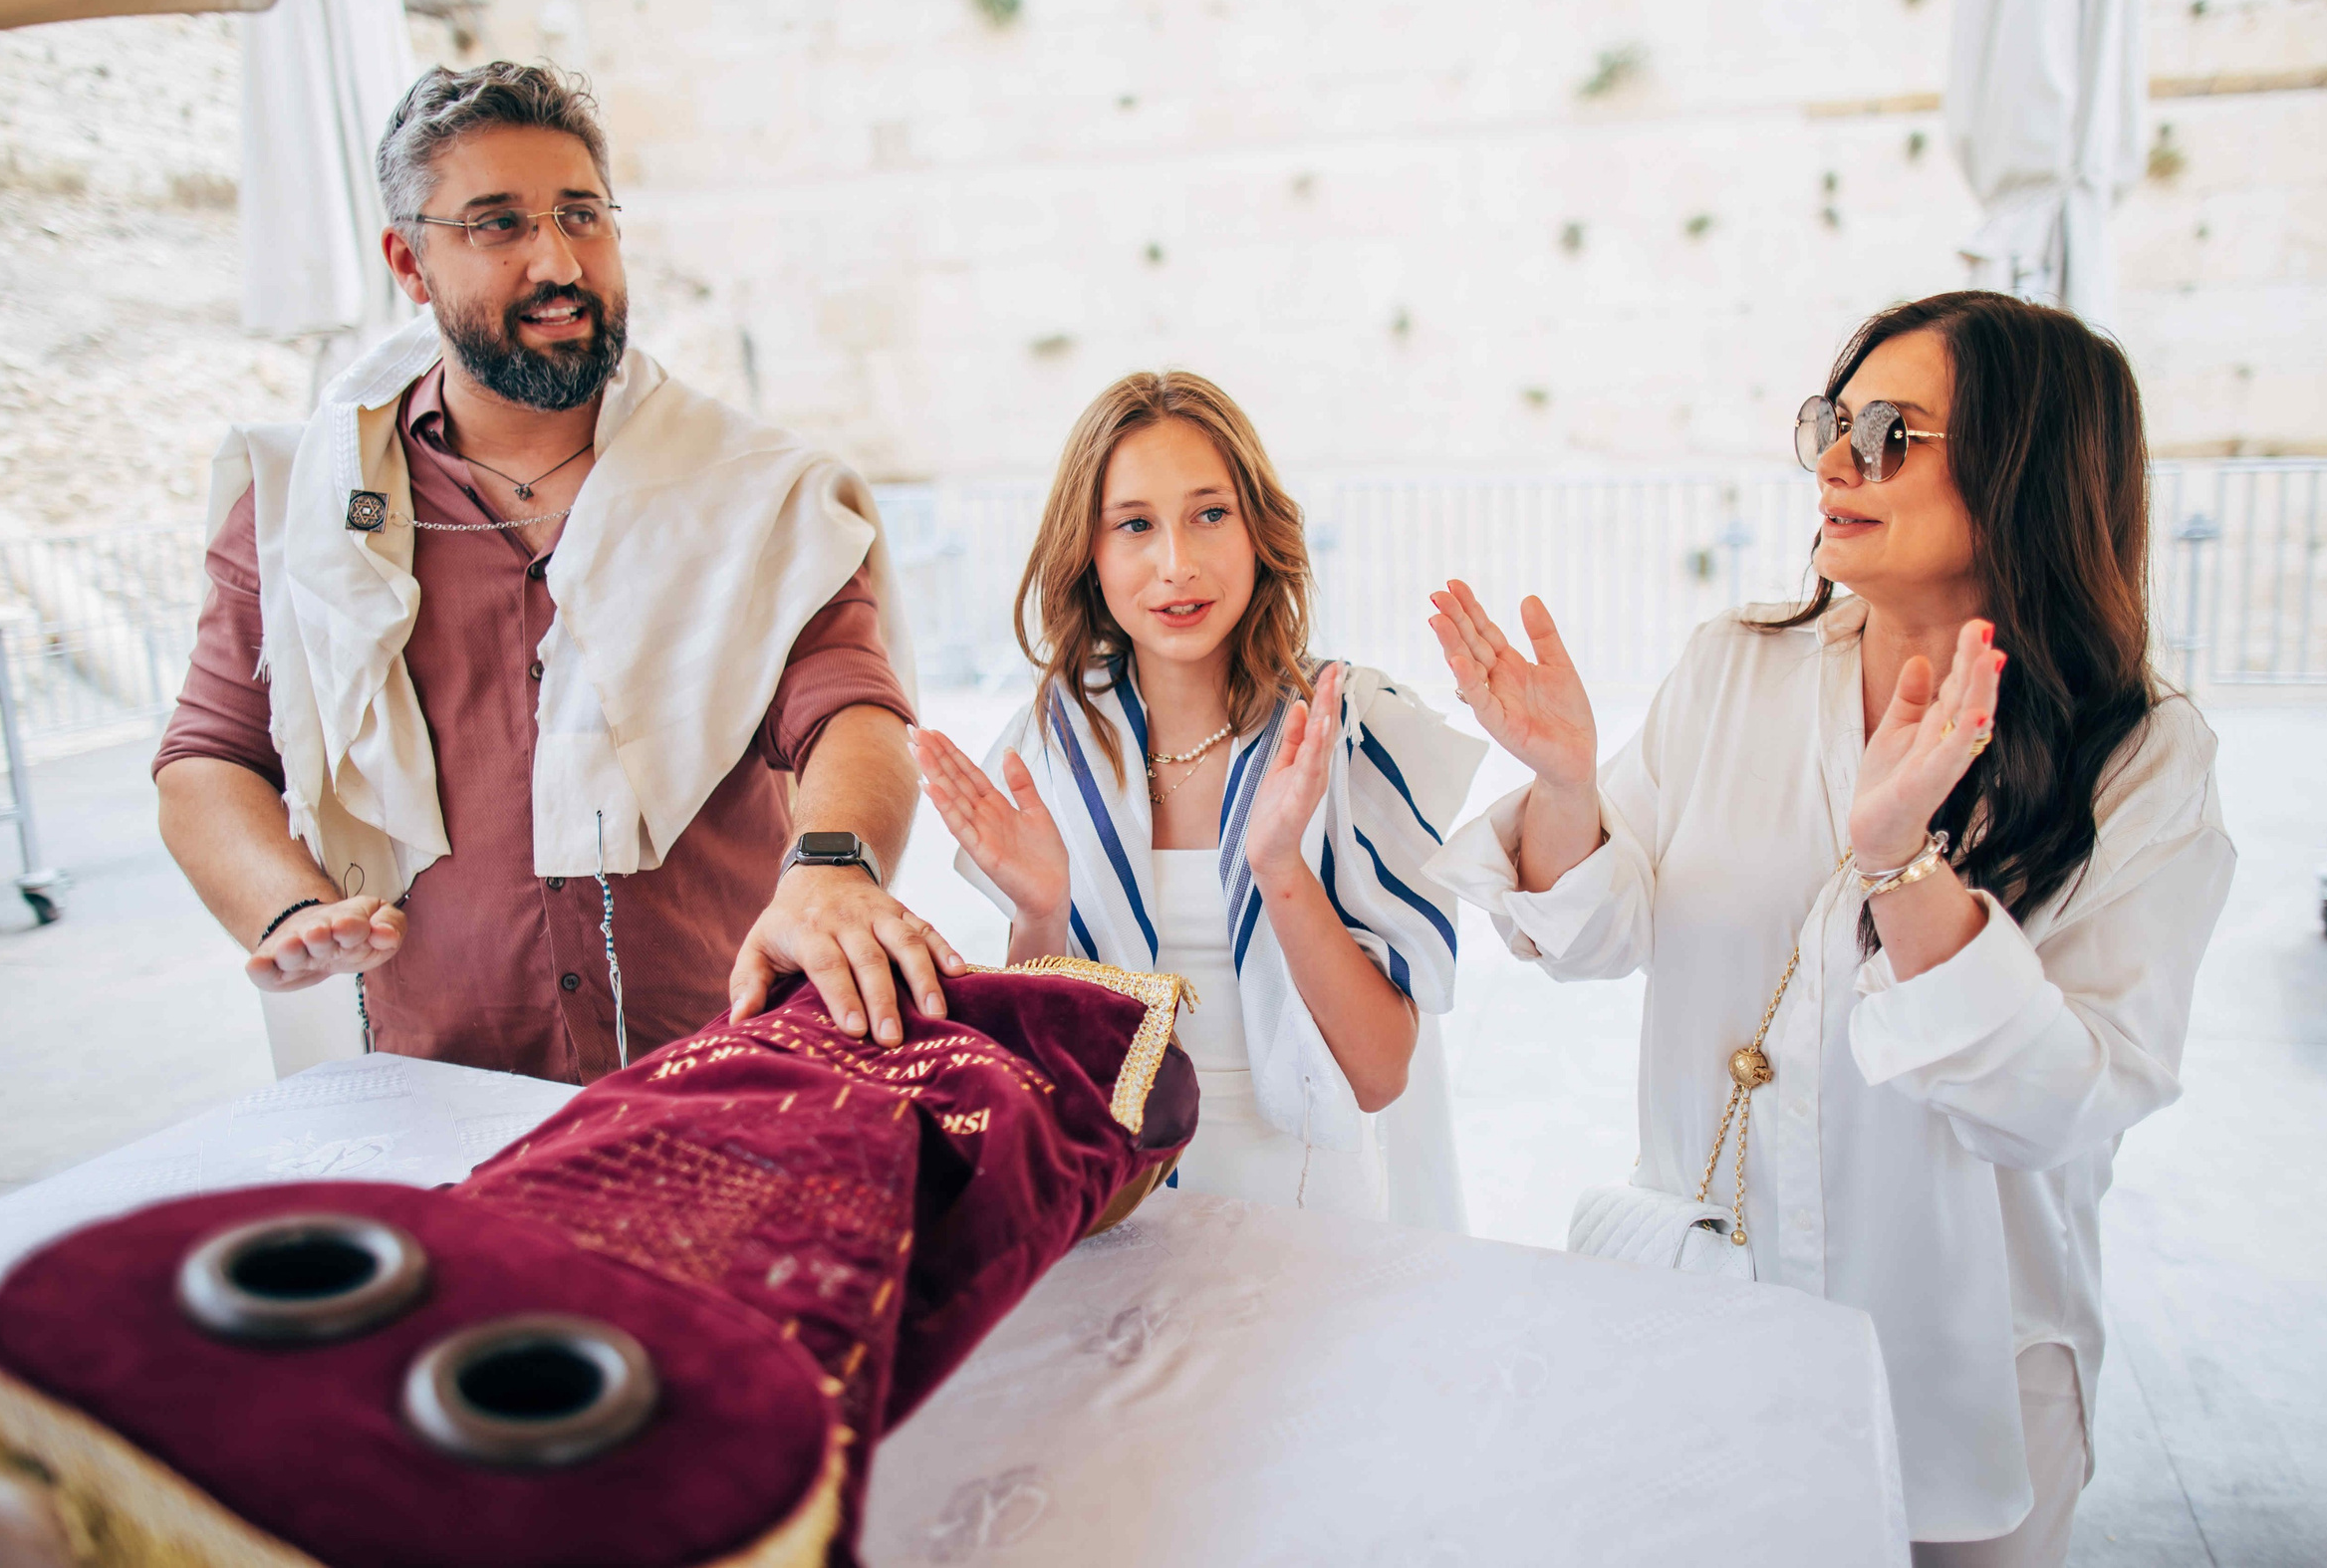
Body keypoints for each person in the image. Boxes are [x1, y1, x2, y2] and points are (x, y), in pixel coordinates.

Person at [1423, 291, 2235, 1565]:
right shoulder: (1734, 666)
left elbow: (2053, 1106)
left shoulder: (2138, 759)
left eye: (1890, 432)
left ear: (2027, 469)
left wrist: (1899, 864)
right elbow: (1592, 932)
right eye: (1830, 422)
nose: (1836, 464)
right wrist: (1566, 785)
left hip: (1966, 1363)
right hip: (1713, 1318)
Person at [154, 62, 963, 1083]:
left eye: (582, 215)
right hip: (431, 1093)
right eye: (497, 224)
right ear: (409, 262)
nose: (557, 260)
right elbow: (208, 757)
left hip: (726, 1072)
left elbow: (851, 710)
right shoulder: (296, 504)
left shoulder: (756, 492)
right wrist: (294, 910)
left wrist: (834, 872)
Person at [909, 372, 1482, 1226]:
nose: (1177, 563)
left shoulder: (1348, 728)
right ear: (1090, 555)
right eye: (1134, 524)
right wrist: (1040, 908)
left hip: (1309, 1228)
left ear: (1259, 530)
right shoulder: (1054, 746)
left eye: (1210, 513)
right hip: (1117, 1222)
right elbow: (1040, 1075)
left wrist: (1279, 865)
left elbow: (1379, 1074)